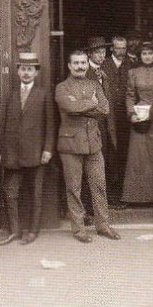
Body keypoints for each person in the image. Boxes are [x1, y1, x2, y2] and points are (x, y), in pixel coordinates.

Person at [55, 50, 120, 243]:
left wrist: (82, 106)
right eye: (76, 63)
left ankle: (103, 225)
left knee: (99, 186)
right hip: (70, 144)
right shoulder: (61, 87)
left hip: (94, 143)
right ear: (69, 65)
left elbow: (105, 109)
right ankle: (79, 229)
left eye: (83, 63)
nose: (80, 66)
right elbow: (69, 108)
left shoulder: (94, 84)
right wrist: (90, 104)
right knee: (73, 188)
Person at [0, 52, 54, 246]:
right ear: (18, 71)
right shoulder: (10, 95)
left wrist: (47, 149)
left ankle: (32, 230)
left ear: (36, 72)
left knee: (34, 193)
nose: (26, 73)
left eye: (30, 69)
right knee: (10, 192)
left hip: (36, 153)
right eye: (23, 69)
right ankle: (14, 230)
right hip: (12, 153)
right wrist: (2, 151)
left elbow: (50, 125)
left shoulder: (43, 94)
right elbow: (3, 125)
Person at [122, 41, 153, 213]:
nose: (147, 57)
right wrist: (131, 113)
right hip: (139, 116)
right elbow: (130, 95)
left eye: (151, 53)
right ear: (140, 56)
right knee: (138, 156)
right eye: (144, 54)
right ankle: (135, 197)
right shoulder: (133, 72)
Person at [86, 35, 120, 206]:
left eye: (103, 52)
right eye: (97, 52)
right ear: (90, 54)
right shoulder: (85, 72)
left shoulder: (103, 72)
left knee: (105, 162)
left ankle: (102, 202)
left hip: (107, 126)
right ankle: (90, 204)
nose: (101, 56)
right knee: (92, 165)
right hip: (93, 125)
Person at [102, 35, 130, 201]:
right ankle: (111, 191)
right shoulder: (104, 64)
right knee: (110, 152)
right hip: (108, 114)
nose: (121, 51)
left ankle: (122, 191)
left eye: (124, 48)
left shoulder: (131, 64)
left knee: (124, 152)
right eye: (118, 48)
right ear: (112, 48)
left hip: (125, 115)